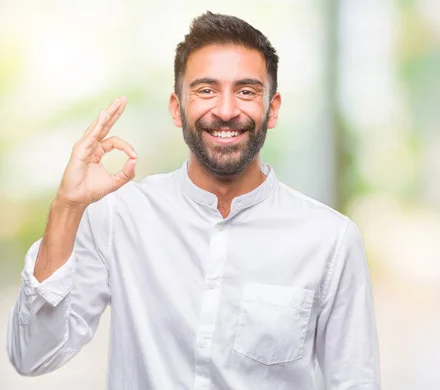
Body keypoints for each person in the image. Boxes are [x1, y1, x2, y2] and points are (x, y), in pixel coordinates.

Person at [6, 11, 380, 389]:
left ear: (273, 109)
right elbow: (32, 356)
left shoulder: (329, 240)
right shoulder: (119, 217)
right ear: (176, 108)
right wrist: (67, 207)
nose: (226, 110)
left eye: (247, 91)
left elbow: (354, 382)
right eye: (206, 90)